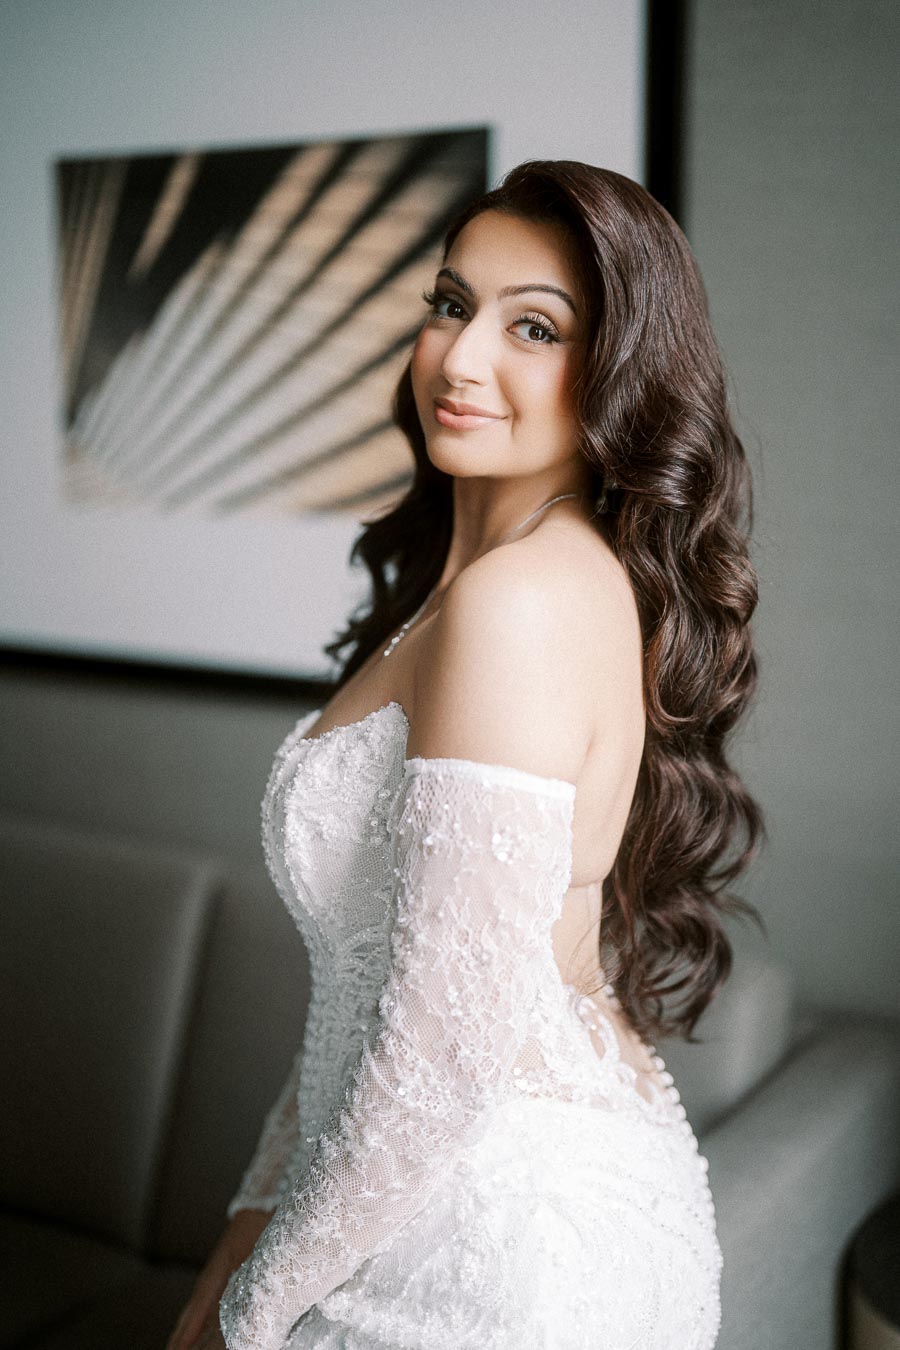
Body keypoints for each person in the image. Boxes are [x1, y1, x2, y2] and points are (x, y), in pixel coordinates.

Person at [167, 158, 764, 1350]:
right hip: (421, 1177)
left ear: (619, 377)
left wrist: (254, 1302)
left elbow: (442, 1037)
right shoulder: (483, 588)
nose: (462, 358)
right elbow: (376, 988)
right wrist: (247, 1221)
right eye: (451, 303)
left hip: (497, 1246)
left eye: (532, 326)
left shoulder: (524, 602)